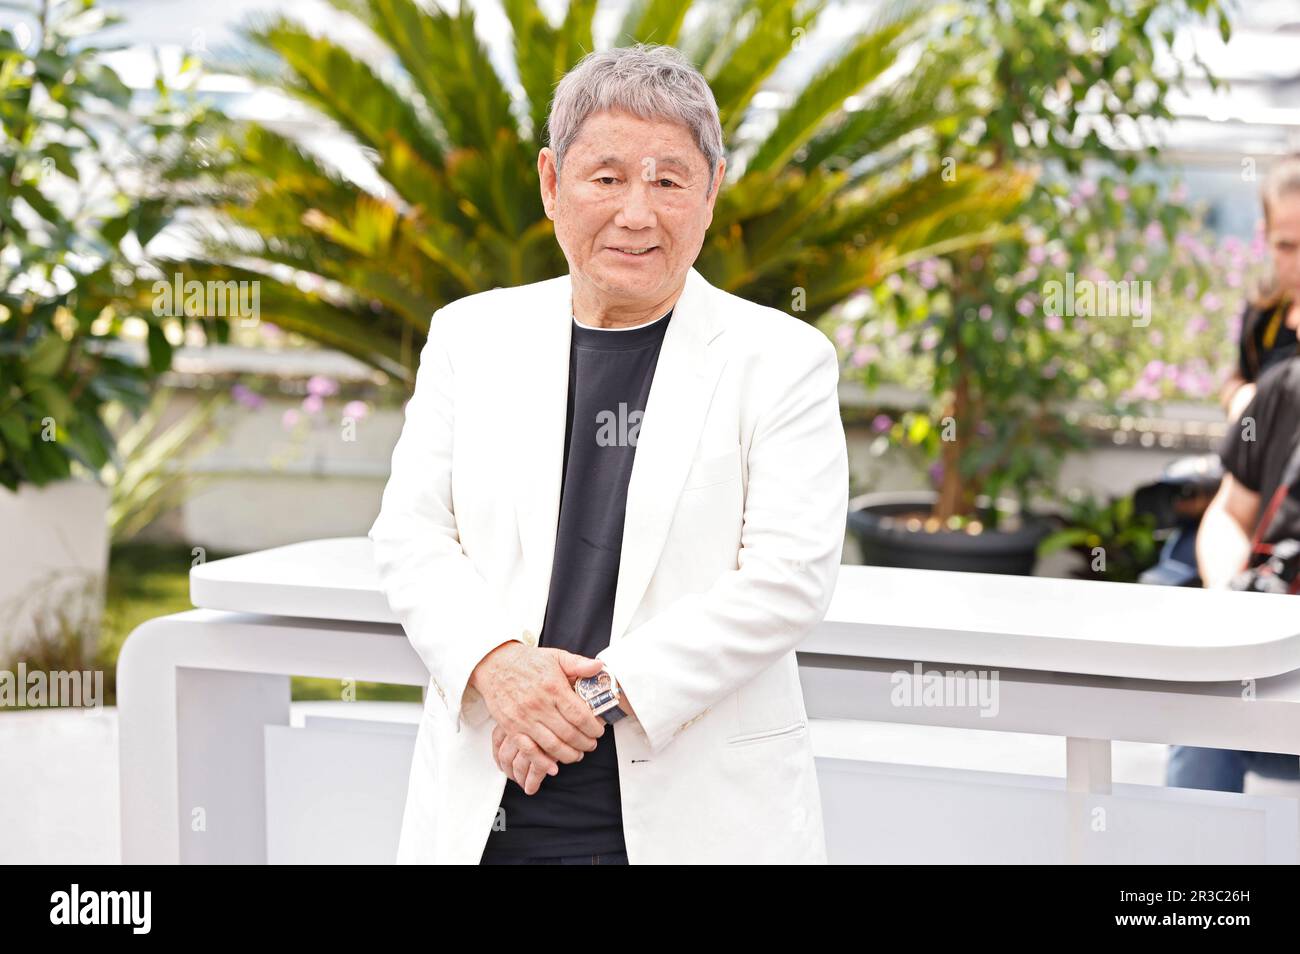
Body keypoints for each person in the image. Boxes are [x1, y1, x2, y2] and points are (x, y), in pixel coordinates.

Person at [367, 44, 848, 864]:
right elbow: (410, 538)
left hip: (694, 814)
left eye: (669, 181)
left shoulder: (782, 358)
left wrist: (585, 698)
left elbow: (787, 579)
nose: (637, 211)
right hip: (488, 799)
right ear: (552, 184)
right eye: (607, 177)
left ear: (712, 191)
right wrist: (500, 668)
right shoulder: (471, 336)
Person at [1165, 353, 1300, 791]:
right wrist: (1230, 602)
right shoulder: (1284, 388)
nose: (1294, 321)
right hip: (1271, 668)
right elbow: (1228, 513)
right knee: (1202, 707)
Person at [1218, 154, 1300, 421]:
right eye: (1286, 246)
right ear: (1265, 235)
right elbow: (1238, 376)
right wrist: (1239, 397)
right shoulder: (1264, 308)